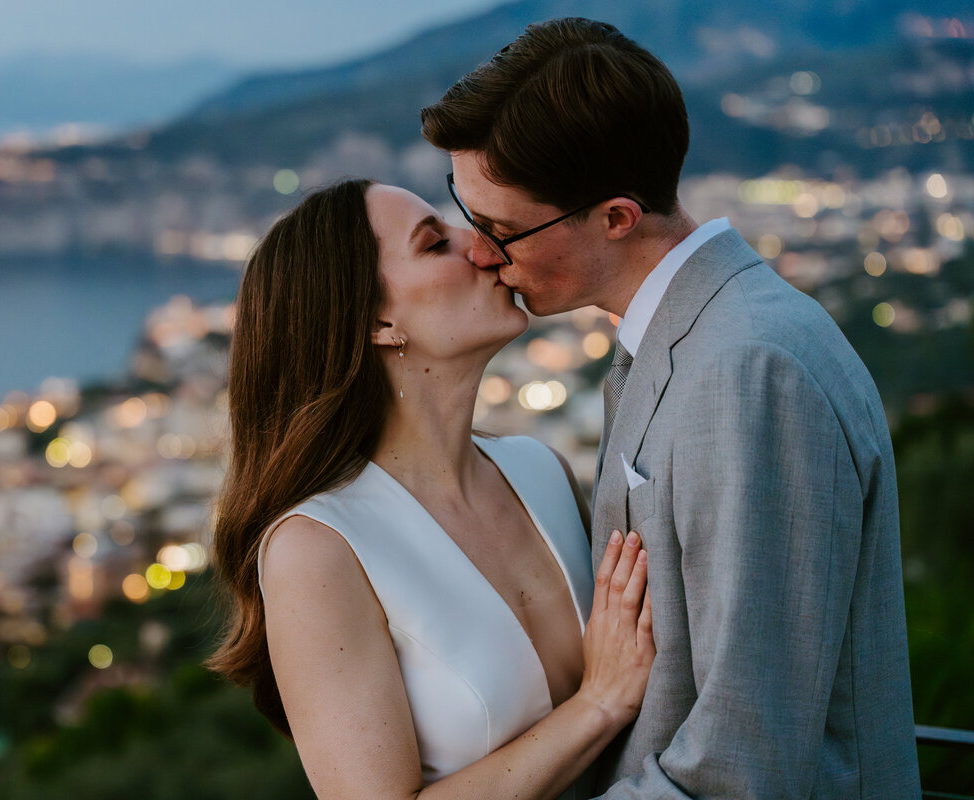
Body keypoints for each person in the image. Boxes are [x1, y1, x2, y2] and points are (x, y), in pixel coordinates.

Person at [421, 17, 920, 799]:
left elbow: (744, 760)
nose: (481, 252)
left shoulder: (749, 371)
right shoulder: (688, 339)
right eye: (467, 215)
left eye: (503, 229)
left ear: (617, 217)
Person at [209, 177, 655, 799]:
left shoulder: (541, 471)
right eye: (433, 243)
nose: (482, 246)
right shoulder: (318, 549)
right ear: (377, 321)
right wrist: (601, 702)